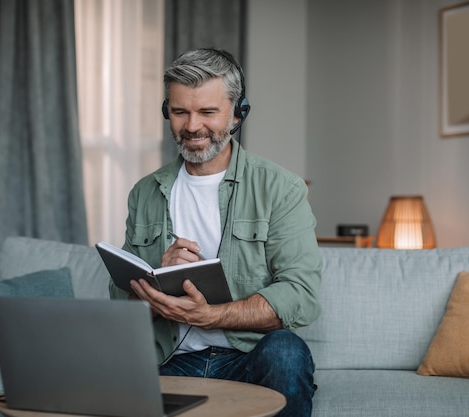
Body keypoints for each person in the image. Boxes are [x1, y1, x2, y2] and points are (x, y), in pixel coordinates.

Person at [109, 47, 322, 416]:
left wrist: (211, 316)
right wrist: (158, 280)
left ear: (239, 114)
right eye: (180, 112)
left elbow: (301, 294)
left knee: (287, 351)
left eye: (208, 112)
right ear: (167, 112)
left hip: (247, 360)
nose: (192, 126)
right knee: (104, 362)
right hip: (167, 360)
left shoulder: (281, 188)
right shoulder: (145, 192)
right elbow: (120, 302)